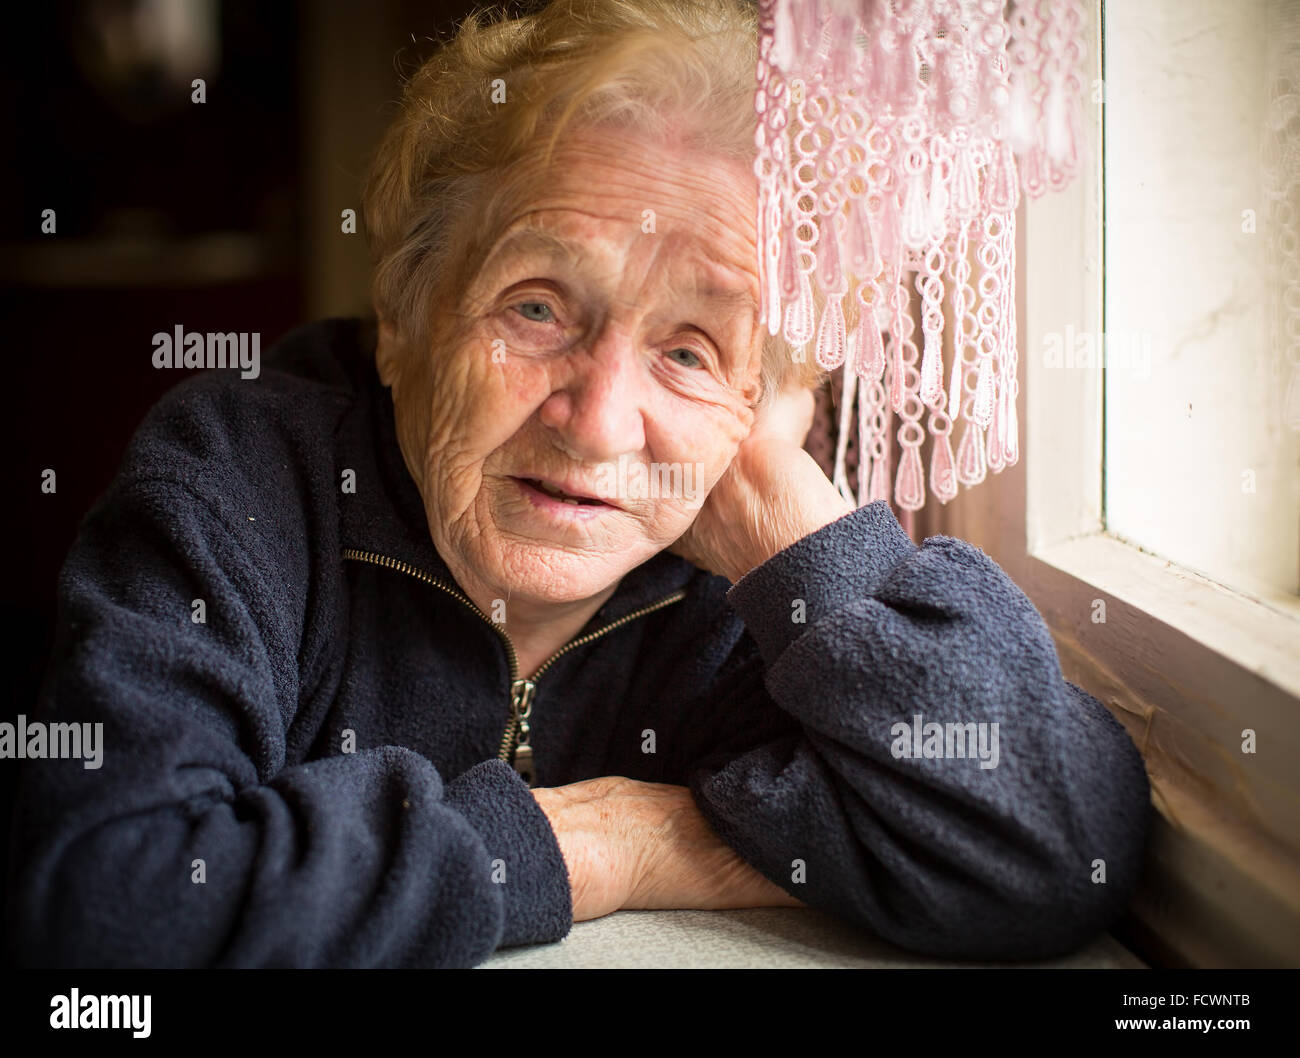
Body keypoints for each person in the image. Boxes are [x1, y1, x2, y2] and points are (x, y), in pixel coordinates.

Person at [6, 0, 1150, 968]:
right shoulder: (240, 481)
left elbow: (1058, 838)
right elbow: (106, 898)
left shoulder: (756, 589)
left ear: (771, 407)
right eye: (538, 305)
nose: (598, 422)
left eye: (691, 350)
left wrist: (801, 547)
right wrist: (602, 840)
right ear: (404, 316)